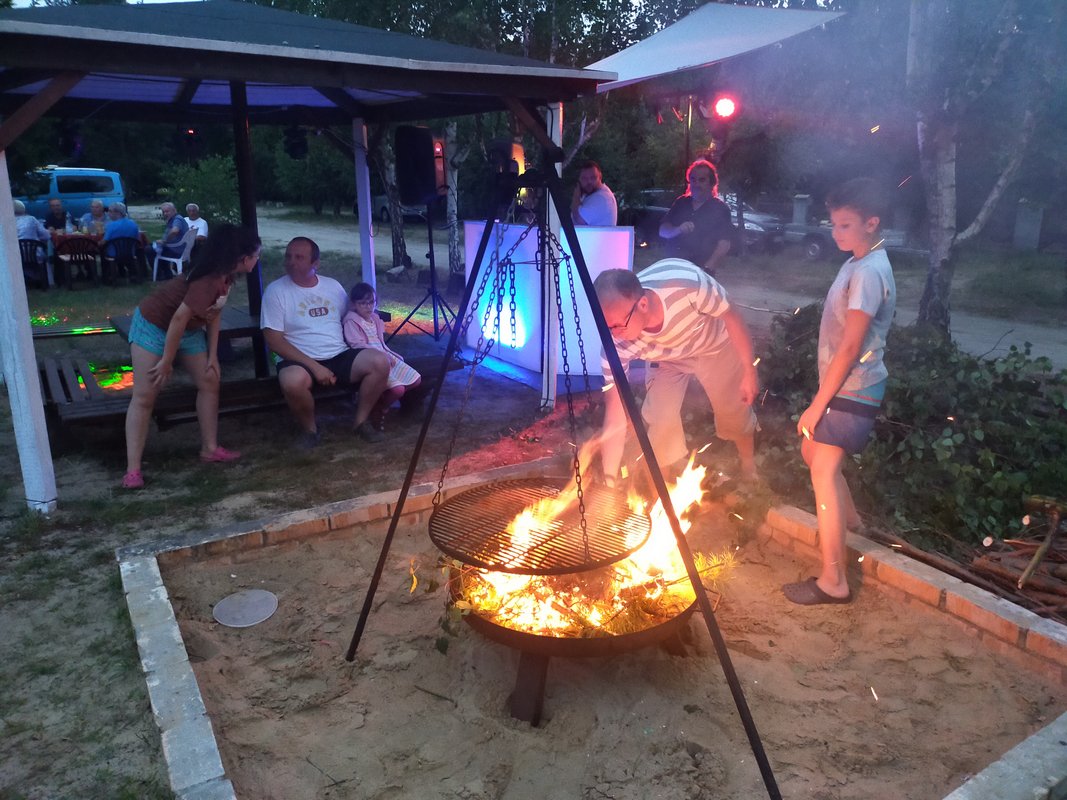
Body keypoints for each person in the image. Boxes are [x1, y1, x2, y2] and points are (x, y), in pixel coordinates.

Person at [783, 177, 896, 606]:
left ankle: (834, 581)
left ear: (872, 222)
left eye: (845, 225)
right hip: (847, 385)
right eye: (834, 224)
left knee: (823, 471)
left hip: (855, 388)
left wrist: (817, 405)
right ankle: (854, 524)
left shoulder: (868, 272)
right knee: (812, 453)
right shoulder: (857, 262)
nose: (836, 233)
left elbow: (851, 346)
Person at [594, 259, 759, 489]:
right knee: (661, 417)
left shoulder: (686, 285)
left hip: (714, 348)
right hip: (667, 361)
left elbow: (731, 315)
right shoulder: (616, 346)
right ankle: (662, 489)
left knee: (733, 409)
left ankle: (749, 468)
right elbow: (615, 416)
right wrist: (609, 480)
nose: (614, 334)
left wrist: (749, 369)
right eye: (607, 327)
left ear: (643, 304)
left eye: (618, 326)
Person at [122, 224, 262, 489]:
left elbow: (215, 312)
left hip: (188, 330)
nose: (258, 259)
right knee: (145, 395)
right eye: (256, 255)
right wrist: (166, 361)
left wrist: (213, 355)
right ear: (243, 258)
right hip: (154, 326)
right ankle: (133, 470)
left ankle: (210, 449)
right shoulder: (207, 281)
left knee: (209, 381)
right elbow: (177, 319)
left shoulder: (226, 276)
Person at [260, 237, 390, 448]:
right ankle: (310, 430)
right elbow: (273, 340)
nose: (291, 262)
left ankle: (361, 422)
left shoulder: (332, 286)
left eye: (299, 257)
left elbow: (350, 316)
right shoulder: (275, 291)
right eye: (288, 256)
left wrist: (372, 329)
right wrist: (315, 367)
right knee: (292, 381)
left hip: (338, 353)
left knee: (380, 362)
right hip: (299, 359)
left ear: (316, 264)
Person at [342, 282, 422, 430]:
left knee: (416, 379)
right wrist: (382, 356)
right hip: (372, 360)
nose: (368, 307)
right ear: (354, 304)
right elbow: (356, 344)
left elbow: (381, 343)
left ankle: (378, 404)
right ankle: (382, 408)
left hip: (385, 355)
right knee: (398, 390)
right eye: (363, 303)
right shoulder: (351, 320)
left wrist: (392, 354)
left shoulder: (375, 319)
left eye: (371, 302)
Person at [658, 159, 735, 277]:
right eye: (693, 180)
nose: (696, 184)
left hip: (701, 273)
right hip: (673, 270)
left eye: (702, 180)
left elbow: (724, 244)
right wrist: (678, 229)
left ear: (712, 183)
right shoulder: (681, 202)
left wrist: (707, 268)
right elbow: (663, 231)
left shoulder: (720, 209)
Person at [570, 160, 618, 226]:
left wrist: (576, 197)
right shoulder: (591, 195)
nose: (589, 181)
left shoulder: (602, 198)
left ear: (600, 177)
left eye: (593, 178)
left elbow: (578, 219)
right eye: (584, 178)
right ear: (579, 180)